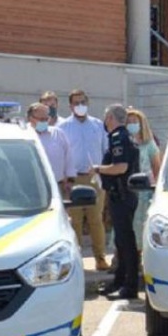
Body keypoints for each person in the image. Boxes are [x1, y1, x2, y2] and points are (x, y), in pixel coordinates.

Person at [92, 104, 140, 300]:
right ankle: (120, 281)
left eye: (106, 118)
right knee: (121, 242)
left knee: (126, 242)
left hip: (122, 195)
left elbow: (120, 167)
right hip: (119, 195)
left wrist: (98, 168)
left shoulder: (118, 137)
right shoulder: (122, 136)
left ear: (111, 118)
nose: (105, 122)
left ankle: (130, 285)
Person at [60, 89, 110, 271]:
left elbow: (107, 151)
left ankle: (100, 258)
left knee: (96, 219)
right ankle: (76, 259)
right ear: (70, 106)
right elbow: (62, 155)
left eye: (83, 102)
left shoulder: (98, 125)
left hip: (94, 179)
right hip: (73, 180)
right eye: (76, 103)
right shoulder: (63, 127)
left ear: (87, 103)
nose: (80, 106)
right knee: (75, 222)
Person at [125, 109, 161, 255]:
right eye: (129, 122)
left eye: (135, 122)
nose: (132, 125)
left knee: (141, 224)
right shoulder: (125, 142)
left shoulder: (149, 143)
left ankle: (141, 255)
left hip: (144, 191)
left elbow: (156, 167)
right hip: (127, 189)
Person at [26, 103, 76, 198]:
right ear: (30, 118)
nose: (44, 122)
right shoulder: (23, 134)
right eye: (41, 119)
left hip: (57, 187)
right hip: (31, 188)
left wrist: (70, 181)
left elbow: (69, 158)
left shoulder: (58, 134)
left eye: (46, 119)